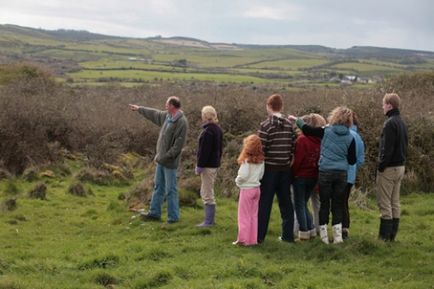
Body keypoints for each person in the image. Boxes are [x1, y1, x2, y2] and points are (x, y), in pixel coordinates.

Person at [291, 106, 356, 244]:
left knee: (324, 203)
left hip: (325, 172)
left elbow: (308, 130)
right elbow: (352, 160)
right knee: (338, 204)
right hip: (341, 174)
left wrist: (296, 120)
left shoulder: (326, 131)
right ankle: (338, 237)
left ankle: (324, 236)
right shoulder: (350, 137)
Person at [129, 96, 188, 224]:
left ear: (172, 106)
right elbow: (154, 114)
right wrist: (139, 109)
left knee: (171, 190)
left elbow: (178, 145)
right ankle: (154, 213)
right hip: (161, 161)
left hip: (169, 162)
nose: (165, 106)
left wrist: (166, 156)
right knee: (158, 187)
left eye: (167, 104)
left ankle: (173, 218)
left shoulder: (181, 122)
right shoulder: (167, 117)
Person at [257, 94, 297, 244]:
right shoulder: (289, 125)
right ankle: (288, 236)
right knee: (286, 203)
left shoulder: (265, 125)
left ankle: (259, 236)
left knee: (264, 203)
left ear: (269, 106)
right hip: (285, 169)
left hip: (269, 170)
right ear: (281, 107)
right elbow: (294, 145)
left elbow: (260, 149)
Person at [376, 93, 408, 242]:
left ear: (389, 105)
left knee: (385, 203)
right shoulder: (402, 122)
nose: (382, 107)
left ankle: (384, 238)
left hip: (389, 168)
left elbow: (386, 149)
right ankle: (392, 237)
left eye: (383, 104)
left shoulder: (389, 123)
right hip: (401, 166)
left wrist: (380, 166)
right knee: (395, 202)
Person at [292, 113, 326, 240]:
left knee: (299, 204)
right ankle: (311, 228)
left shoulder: (302, 140)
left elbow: (298, 160)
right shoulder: (320, 141)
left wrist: (293, 174)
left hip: (301, 176)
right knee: (303, 204)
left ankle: (304, 231)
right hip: (313, 177)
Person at [233, 134, 265, 246]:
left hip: (247, 190)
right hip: (256, 189)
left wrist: (238, 181)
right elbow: (261, 175)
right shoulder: (261, 161)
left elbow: (243, 175)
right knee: (253, 215)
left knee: (243, 215)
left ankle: (243, 239)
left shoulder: (246, 161)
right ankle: (252, 240)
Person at [195, 105, 223, 227]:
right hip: (214, 164)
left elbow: (204, 152)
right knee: (207, 191)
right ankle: (209, 220)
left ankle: (209, 221)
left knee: (207, 193)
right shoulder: (218, 129)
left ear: (205, 116)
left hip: (207, 166)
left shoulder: (208, 132)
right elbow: (220, 150)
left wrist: (199, 166)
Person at [342, 112, 365, 239]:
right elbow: (361, 160)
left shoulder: (343, 134)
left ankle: (340, 228)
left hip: (339, 173)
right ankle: (345, 227)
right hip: (351, 175)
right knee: (344, 201)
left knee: (338, 202)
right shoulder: (358, 137)